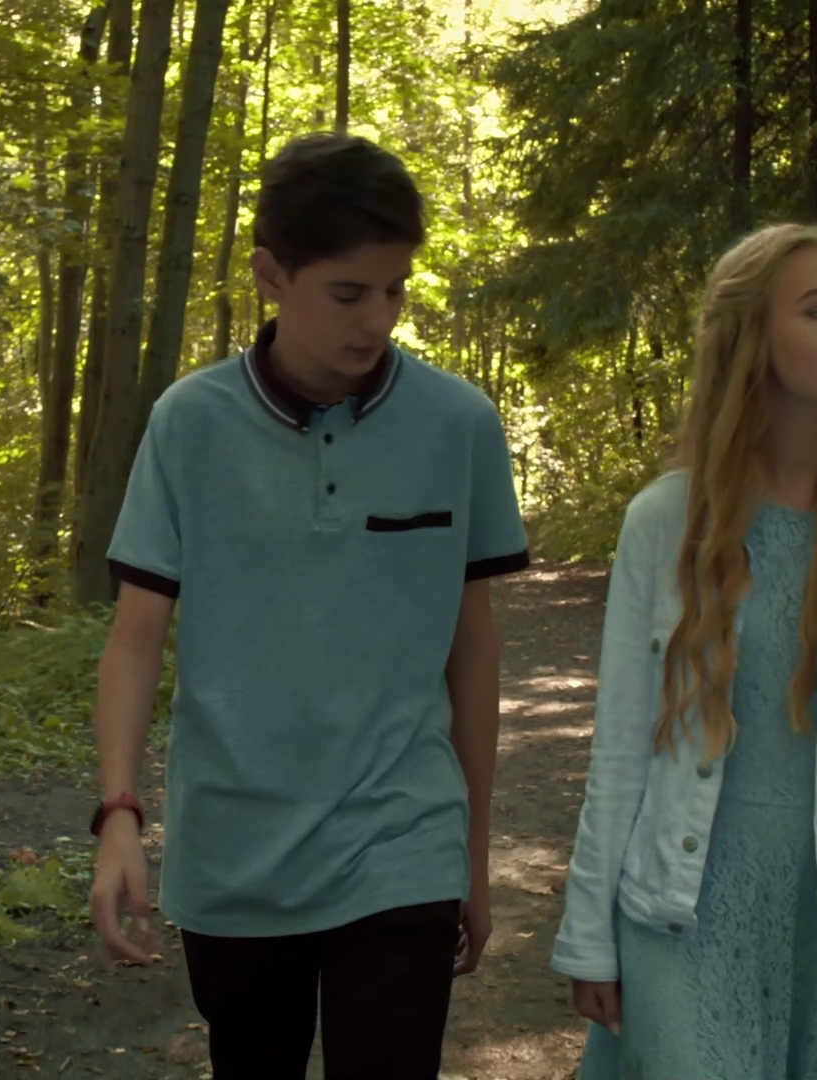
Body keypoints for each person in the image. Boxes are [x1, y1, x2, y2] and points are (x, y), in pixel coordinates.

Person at [84, 133, 531, 1080]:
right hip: (234, 854)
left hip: (403, 842)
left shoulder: (458, 424)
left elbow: (473, 647)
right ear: (270, 276)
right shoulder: (189, 424)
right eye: (348, 293)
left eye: (395, 290)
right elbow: (134, 641)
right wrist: (119, 813)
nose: (378, 320)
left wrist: (472, 854)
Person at [550, 224, 817, 1080]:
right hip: (685, 908)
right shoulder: (667, 521)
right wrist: (588, 934)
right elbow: (623, 745)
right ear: (750, 339)